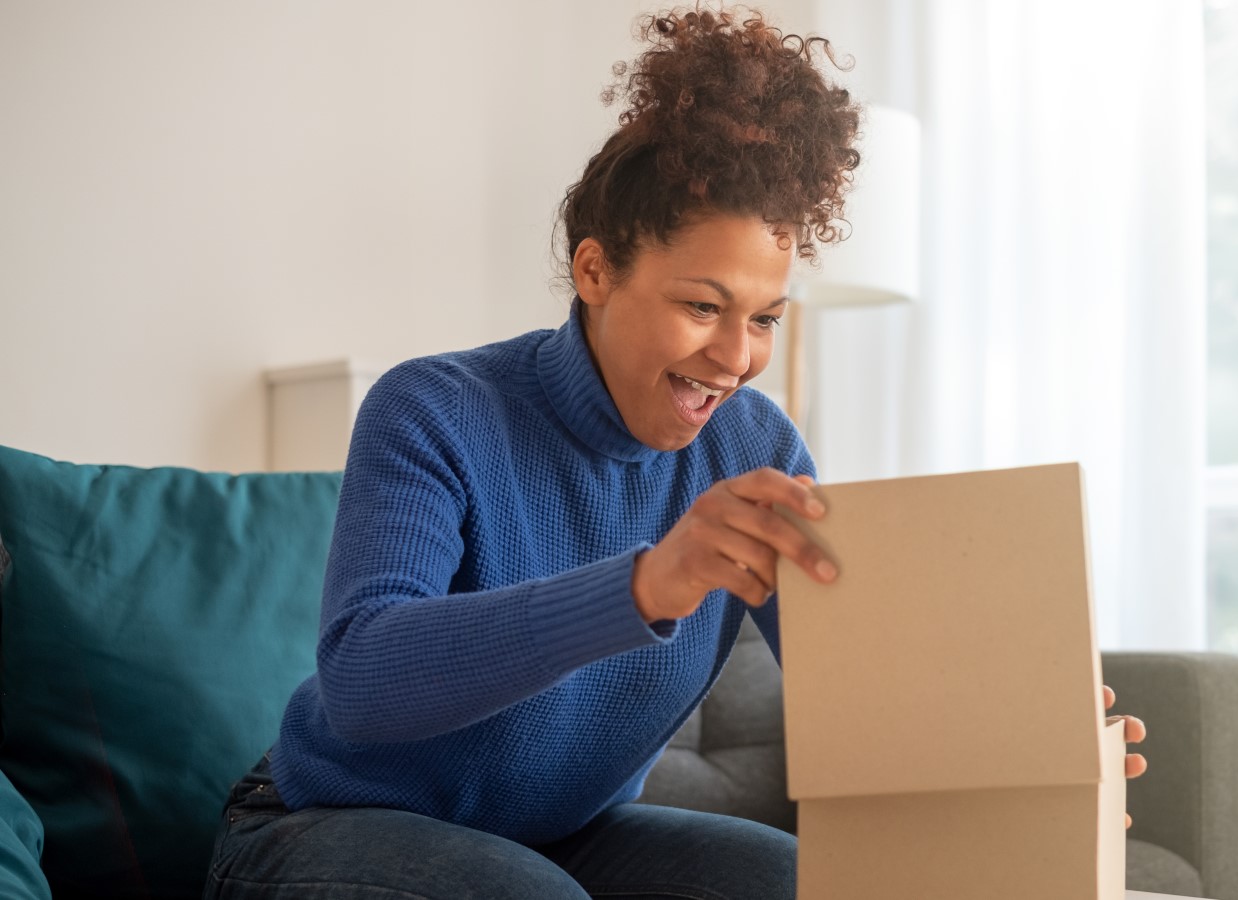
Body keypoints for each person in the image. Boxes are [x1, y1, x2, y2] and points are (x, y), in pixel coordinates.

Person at [205, 7, 1145, 899]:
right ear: (595, 270)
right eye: (703, 307)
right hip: (322, 821)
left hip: (566, 837)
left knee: (803, 886)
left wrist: (1037, 741)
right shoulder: (435, 409)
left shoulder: (758, 446)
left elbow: (861, 687)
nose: (736, 359)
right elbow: (364, 681)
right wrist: (646, 583)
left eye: (765, 318)